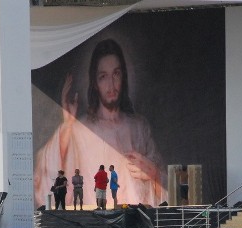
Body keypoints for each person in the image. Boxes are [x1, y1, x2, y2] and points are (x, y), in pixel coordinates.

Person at [34, 38, 166, 207]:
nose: (111, 85)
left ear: (123, 76)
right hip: (95, 226)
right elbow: (46, 182)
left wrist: (154, 175)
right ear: (95, 83)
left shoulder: (139, 127)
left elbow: (166, 187)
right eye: (103, 77)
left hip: (135, 223)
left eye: (116, 74)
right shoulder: (80, 130)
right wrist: (67, 126)